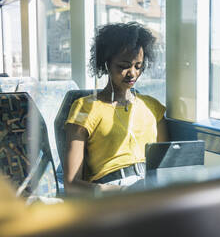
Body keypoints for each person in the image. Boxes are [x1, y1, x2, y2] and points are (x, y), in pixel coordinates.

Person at [64, 22, 168, 194]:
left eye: (138, 66)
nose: (132, 73)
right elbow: (71, 184)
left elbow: (166, 166)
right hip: (112, 190)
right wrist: (123, 192)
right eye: (123, 66)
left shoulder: (153, 108)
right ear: (106, 64)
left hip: (150, 188)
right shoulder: (85, 108)